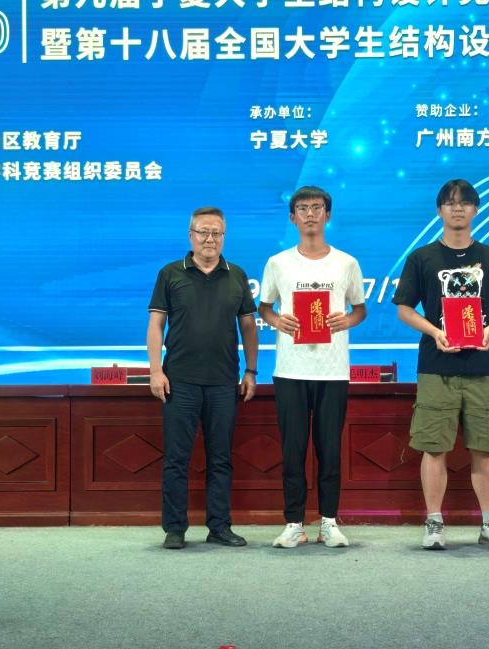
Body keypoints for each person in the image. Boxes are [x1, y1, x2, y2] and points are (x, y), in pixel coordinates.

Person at [392, 179, 489, 551]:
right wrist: (435, 332)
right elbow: (404, 309)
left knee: (485, 448)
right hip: (436, 365)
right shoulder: (422, 258)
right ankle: (434, 522)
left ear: (475, 210)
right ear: (439, 211)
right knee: (434, 447)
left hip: (482, 364)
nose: (458, 208)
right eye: (450, 202)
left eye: (465, 202)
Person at [258, 185, 367, 548]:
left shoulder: (346, 263)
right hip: (290, 369)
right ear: (292, 217)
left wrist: (346, 321)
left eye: (316, 207)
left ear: (327, 215)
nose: (309, 214)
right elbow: (265, 307)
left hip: (332, 371)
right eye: (302, 208)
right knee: (292, 450)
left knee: (329, 450)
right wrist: (278, 321)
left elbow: (359, 309)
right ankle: (294, 523)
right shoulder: (278, 262)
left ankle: (328, 522)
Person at [147, 206, 259, 550]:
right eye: (203, 232)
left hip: (224, 382)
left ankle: (219, 527)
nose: (210, 239)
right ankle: (175, 528)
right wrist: (155, 370)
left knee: (221, 458)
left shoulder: (236, 275)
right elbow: (156, 324)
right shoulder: (170, 273)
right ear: (191, 235)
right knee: (177, 459)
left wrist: (251, 371)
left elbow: (248, 326)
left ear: (224, 237)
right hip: (179, 381)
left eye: (216, 233)